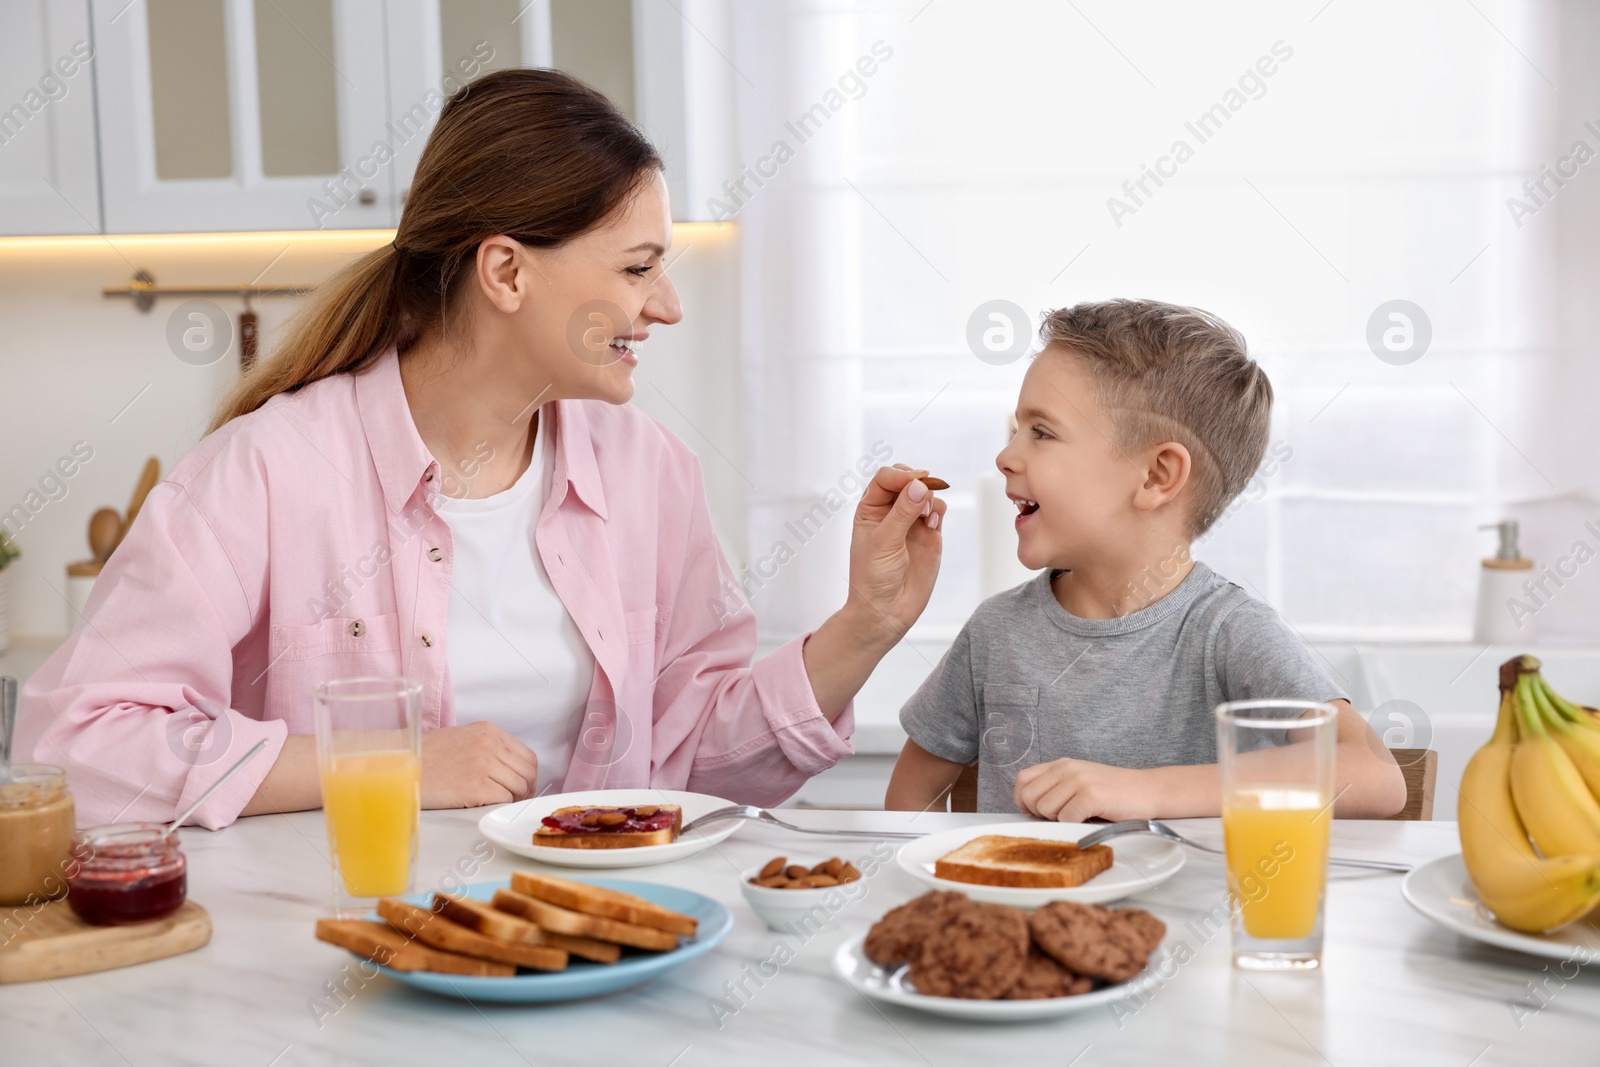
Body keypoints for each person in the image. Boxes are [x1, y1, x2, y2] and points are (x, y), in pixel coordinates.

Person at [23, 69, 947, 829]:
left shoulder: (650, 472)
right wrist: (385, 763)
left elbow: (696, 761)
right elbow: (79, 743)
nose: (667, 304)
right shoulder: (270, 469)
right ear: (506, 270)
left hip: (591, 954)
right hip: (339, 973)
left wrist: (864, 624)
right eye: (637, 267)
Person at [885, 299, 1405, 819]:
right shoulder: (996, 633)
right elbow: (912, 797)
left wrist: (1148, 791)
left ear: (1157, 476)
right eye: (1015, 430)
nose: (1005, 457)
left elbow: (1375, 776)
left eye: (1041, 432)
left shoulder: (1225, 631)